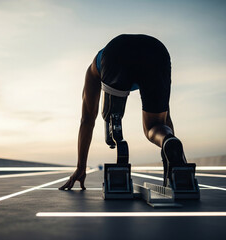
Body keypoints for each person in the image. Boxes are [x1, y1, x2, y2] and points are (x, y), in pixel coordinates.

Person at [59, 34, 188, 190]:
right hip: (156, 51)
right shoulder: (100, 66)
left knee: (112, 118)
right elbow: (166, 118)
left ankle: (118, 146)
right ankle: (168, 141)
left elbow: (87, 119)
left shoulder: (93, 70)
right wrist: (176, 160)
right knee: (156, 125)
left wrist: (80, 167)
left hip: (117, 52)